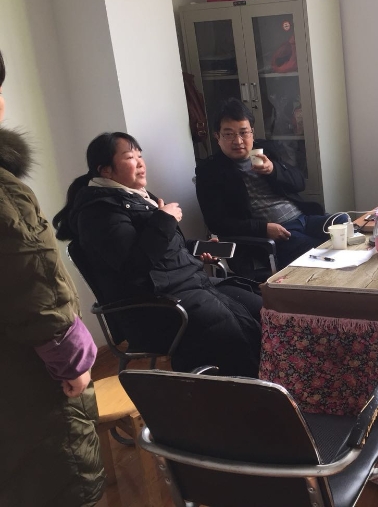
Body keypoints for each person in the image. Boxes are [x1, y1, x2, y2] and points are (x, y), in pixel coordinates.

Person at [53, 132, 263, 377]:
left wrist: (198, 249)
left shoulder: (136, 198)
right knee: (232, 331)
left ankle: (273, 380)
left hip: (188, 286)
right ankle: (249, 390)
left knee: (263, 308)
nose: (140, 163)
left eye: (140, 156)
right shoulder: (99, 213)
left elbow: (164, 250)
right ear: (106, 170)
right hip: (156, 307)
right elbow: (134, 266)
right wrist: (164, 219)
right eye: (130, 157)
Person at [0, 49, 105, 506]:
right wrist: (74, 363)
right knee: (58, 481)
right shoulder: (6, 194)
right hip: (25, 387)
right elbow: (35, 281)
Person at [195, 98, 347, 275]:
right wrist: (264, 229)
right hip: (275, 234)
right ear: (217, 137)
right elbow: (217, 223)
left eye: (243, 132)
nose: (238, 141)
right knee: (319, 251)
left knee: (343, 222)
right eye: (229, 134)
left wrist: (274, 170)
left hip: (303, 219)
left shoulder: (264, 151)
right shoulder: (210, 171)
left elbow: (299, 182)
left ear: (252, 133)